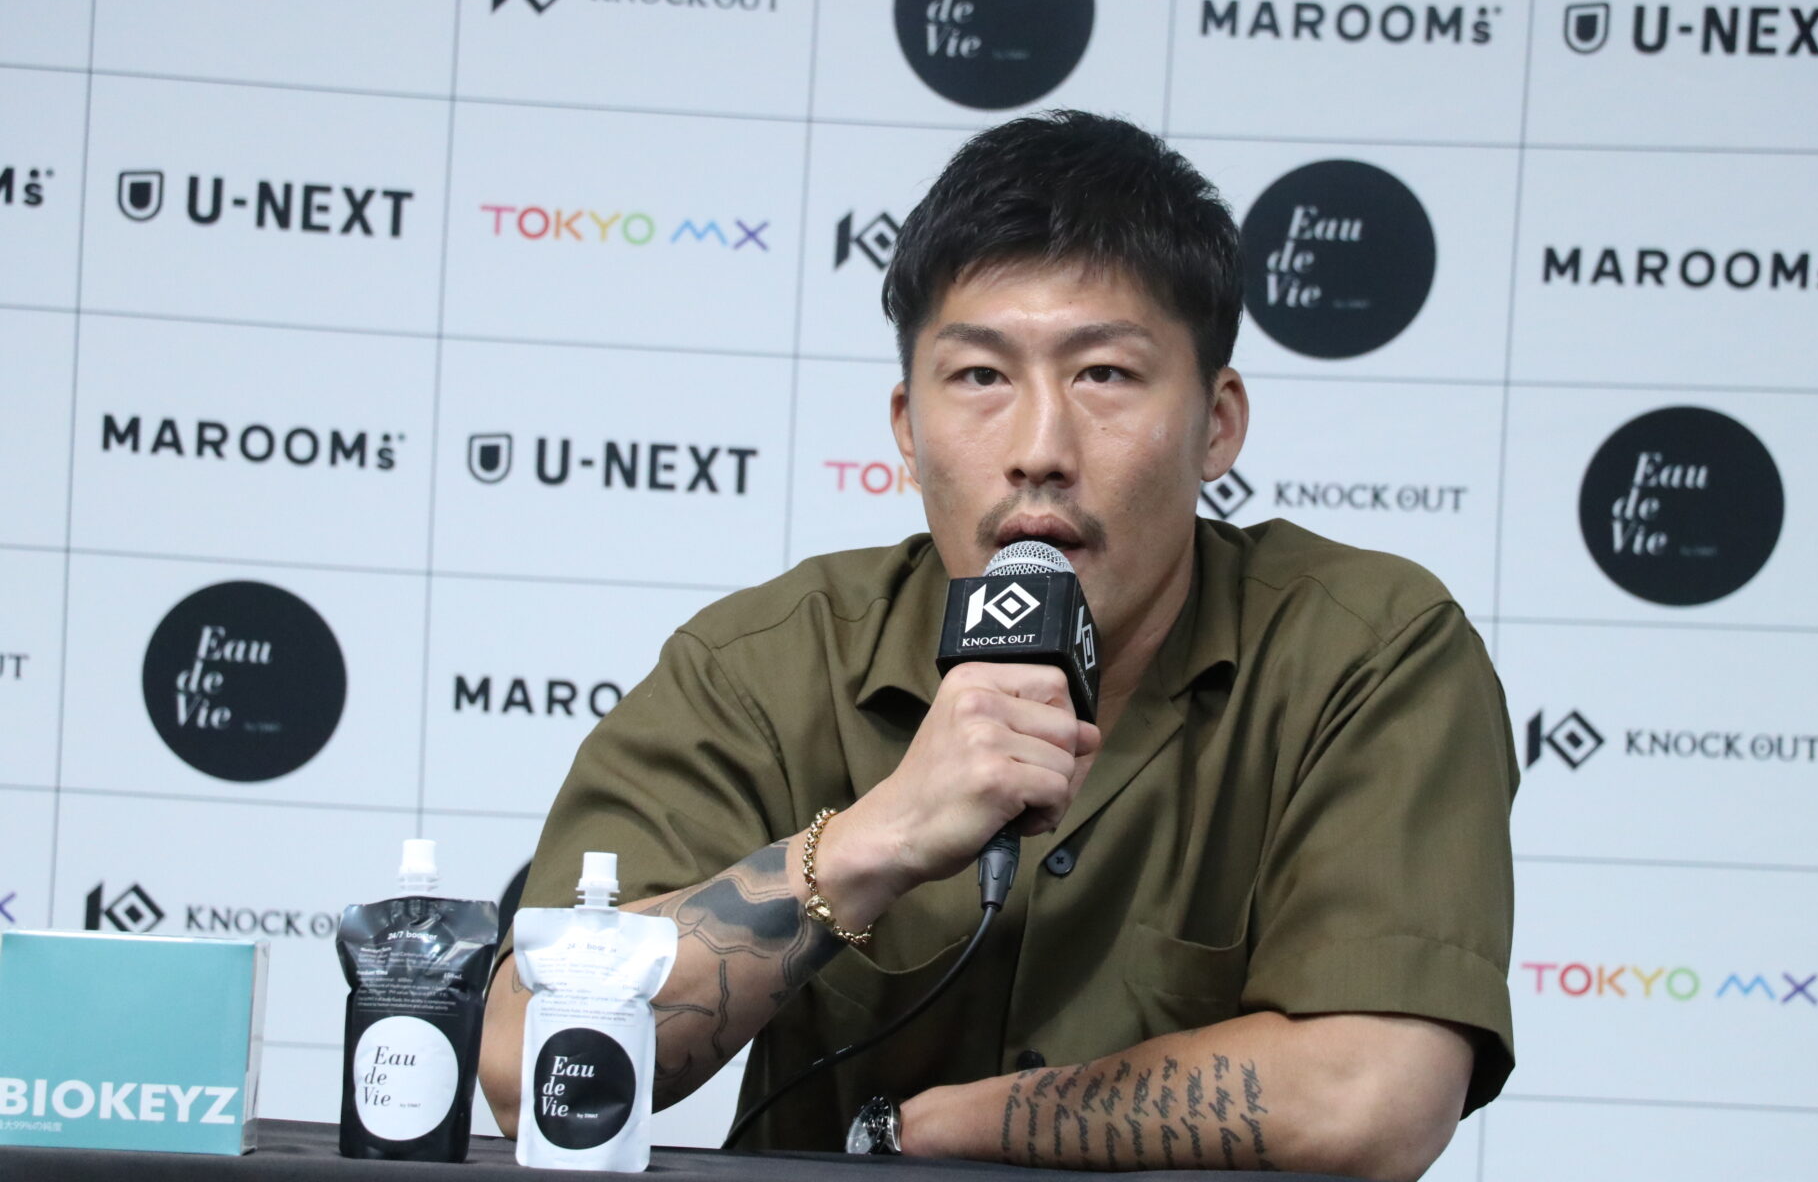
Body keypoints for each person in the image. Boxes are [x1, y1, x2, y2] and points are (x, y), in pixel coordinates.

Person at [478, 110, 1517, 1179]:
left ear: (1217, 423)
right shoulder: (766, 662)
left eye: (1103, 374)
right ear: (906, 427)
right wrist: (869, 844)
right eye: (980, 376)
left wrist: (933, 1130)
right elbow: (522, 1064)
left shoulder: (1368, 651)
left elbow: (1373, 1097)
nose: (1038, 450)